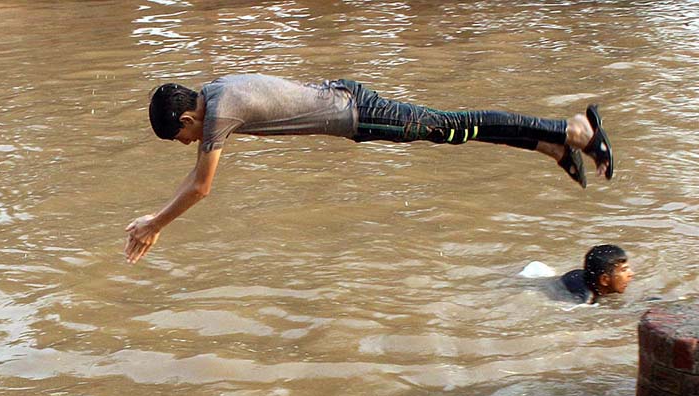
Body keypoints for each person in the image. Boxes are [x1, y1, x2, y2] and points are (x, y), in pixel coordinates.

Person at [125, 73, 614, 264]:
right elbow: (197, 176)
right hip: (348, 105)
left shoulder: (221, 110)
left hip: (359, 114)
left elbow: (202, 186)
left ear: (189, 120)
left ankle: (571, 130)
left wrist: (154, 224)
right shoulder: (213, 92)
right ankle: (552, 148)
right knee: (454, 133)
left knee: (454, 126)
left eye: (183, 137)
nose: (188, 144)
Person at [559, 244, 634, 303]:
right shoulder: (586, 300)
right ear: (604, 280)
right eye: (624, 270)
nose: (631, 274)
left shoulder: (593, 281)